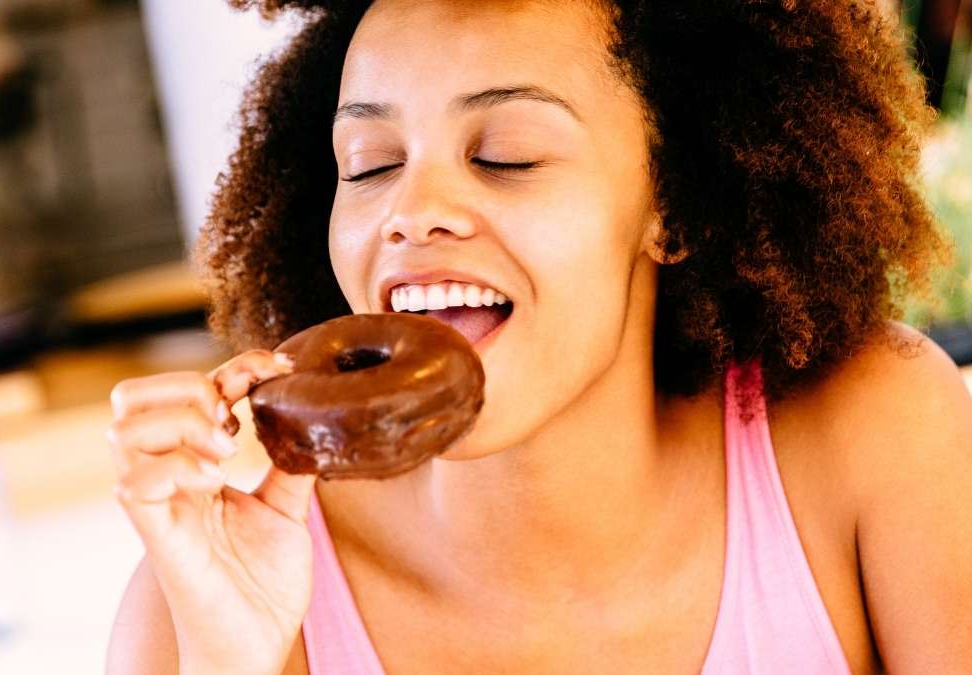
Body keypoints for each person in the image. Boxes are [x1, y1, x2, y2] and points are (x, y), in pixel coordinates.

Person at [104, 1, 972, 673]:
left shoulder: (874, 441)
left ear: (674, 202)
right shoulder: (211, 593)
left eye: (507, 154)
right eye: (369, 164)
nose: (410, 213)